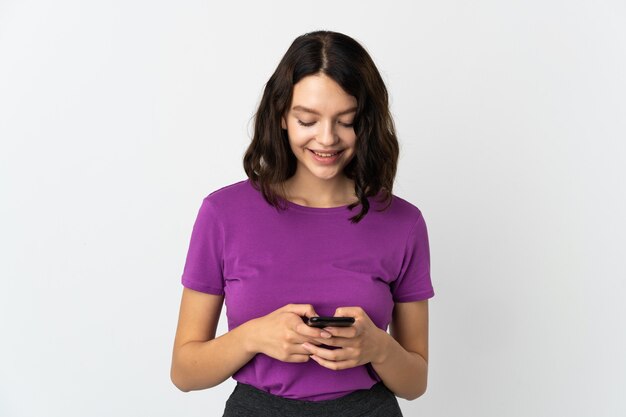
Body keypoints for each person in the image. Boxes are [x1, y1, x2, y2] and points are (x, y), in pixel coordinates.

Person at [170, 30, 434, 417]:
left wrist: (377, 347)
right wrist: (254, 337)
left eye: (347, 121)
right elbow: (184, 372)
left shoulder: (403, 222)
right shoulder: (223, 214)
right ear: (281, 115)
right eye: (307, 120)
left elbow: (416, 383)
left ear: (367, 122)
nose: (327, 138)